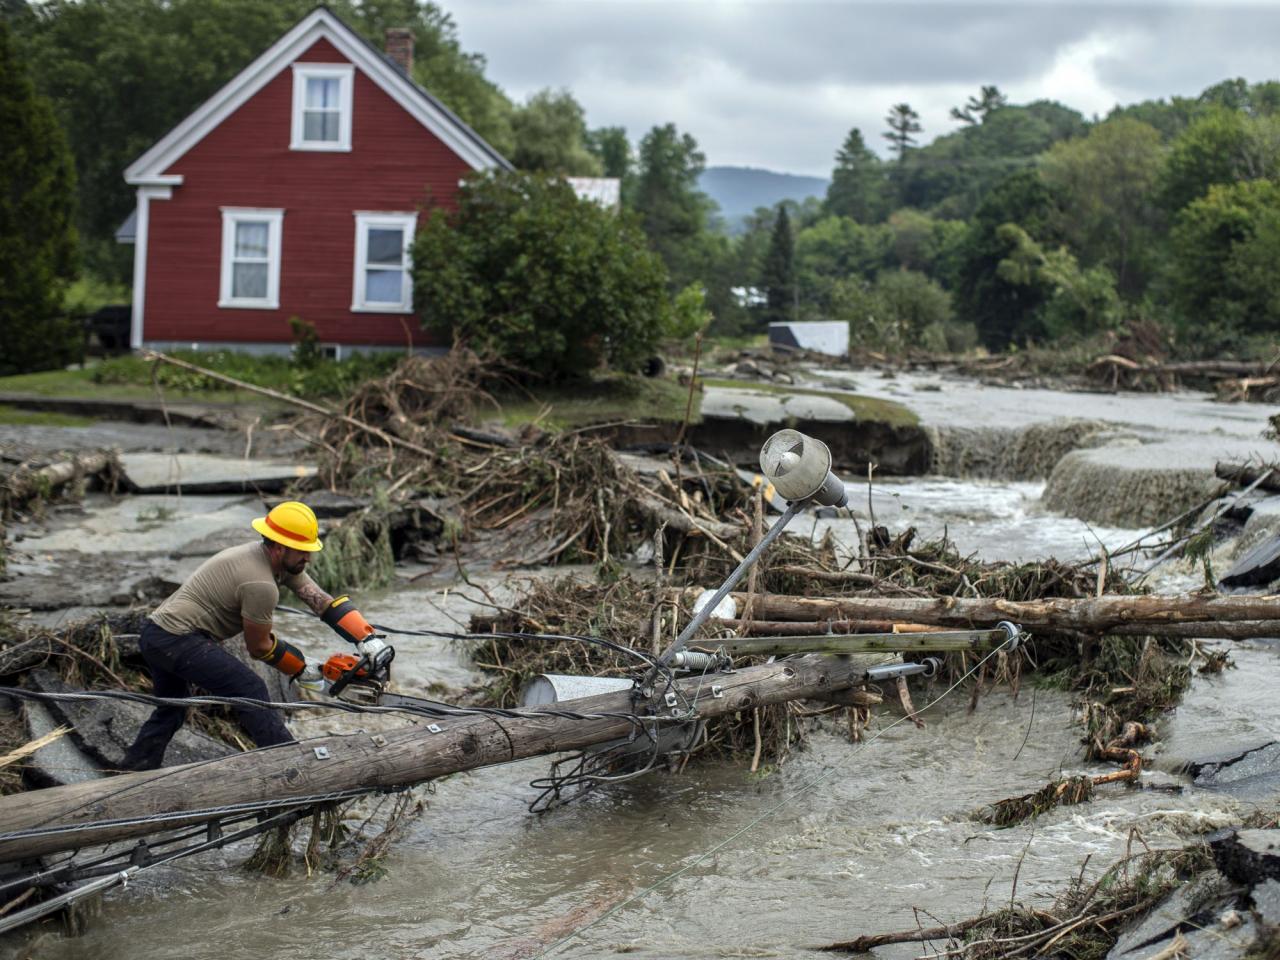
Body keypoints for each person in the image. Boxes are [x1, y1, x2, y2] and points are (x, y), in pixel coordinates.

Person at [120, 500, 378, 771]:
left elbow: (319, 600)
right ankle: (289, 768)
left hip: (156, 634)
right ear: (280, 547)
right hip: (177, 639)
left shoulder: (272, 559)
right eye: (302, 551)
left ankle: (133, 770)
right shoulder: (261, 584)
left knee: (172, 708)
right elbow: (258, 646)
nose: (308, 558)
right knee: (250, 689)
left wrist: (366, 637)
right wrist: (304, 669)